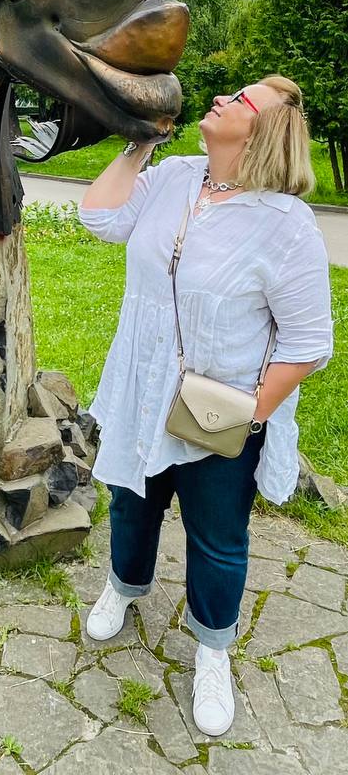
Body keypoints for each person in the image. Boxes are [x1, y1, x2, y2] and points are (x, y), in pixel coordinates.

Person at [78, 75, 332, 737]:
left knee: (217, 538)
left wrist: (243, 416)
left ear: (263, 133)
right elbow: (99, 218)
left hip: (217, 409)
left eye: (240, 101)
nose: (221, 99)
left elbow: (307, 344)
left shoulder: (286, 226)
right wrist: (139, 145)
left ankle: (212, 650)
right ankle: (124, 587)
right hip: (142, 391)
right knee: (131, 503)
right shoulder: (173, 177)